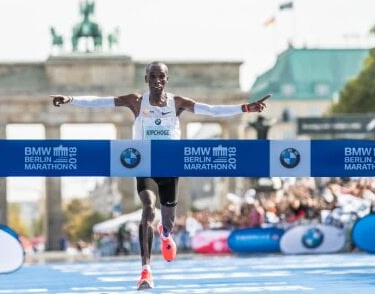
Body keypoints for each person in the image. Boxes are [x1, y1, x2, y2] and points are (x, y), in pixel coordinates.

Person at [51, 61, 270, 290]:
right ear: (146, 79)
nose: (157, 81)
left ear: (167, 79)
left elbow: (212, 109)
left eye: (161, 77)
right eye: (152, 77)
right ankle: (146, 270)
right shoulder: (136, 101)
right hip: (143, 163)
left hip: (169, 166)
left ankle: (165, 233)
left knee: (167, 221)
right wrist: (71, 99)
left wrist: (245, 108)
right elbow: (101, 102)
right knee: (148, 208)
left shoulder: (178, 103)